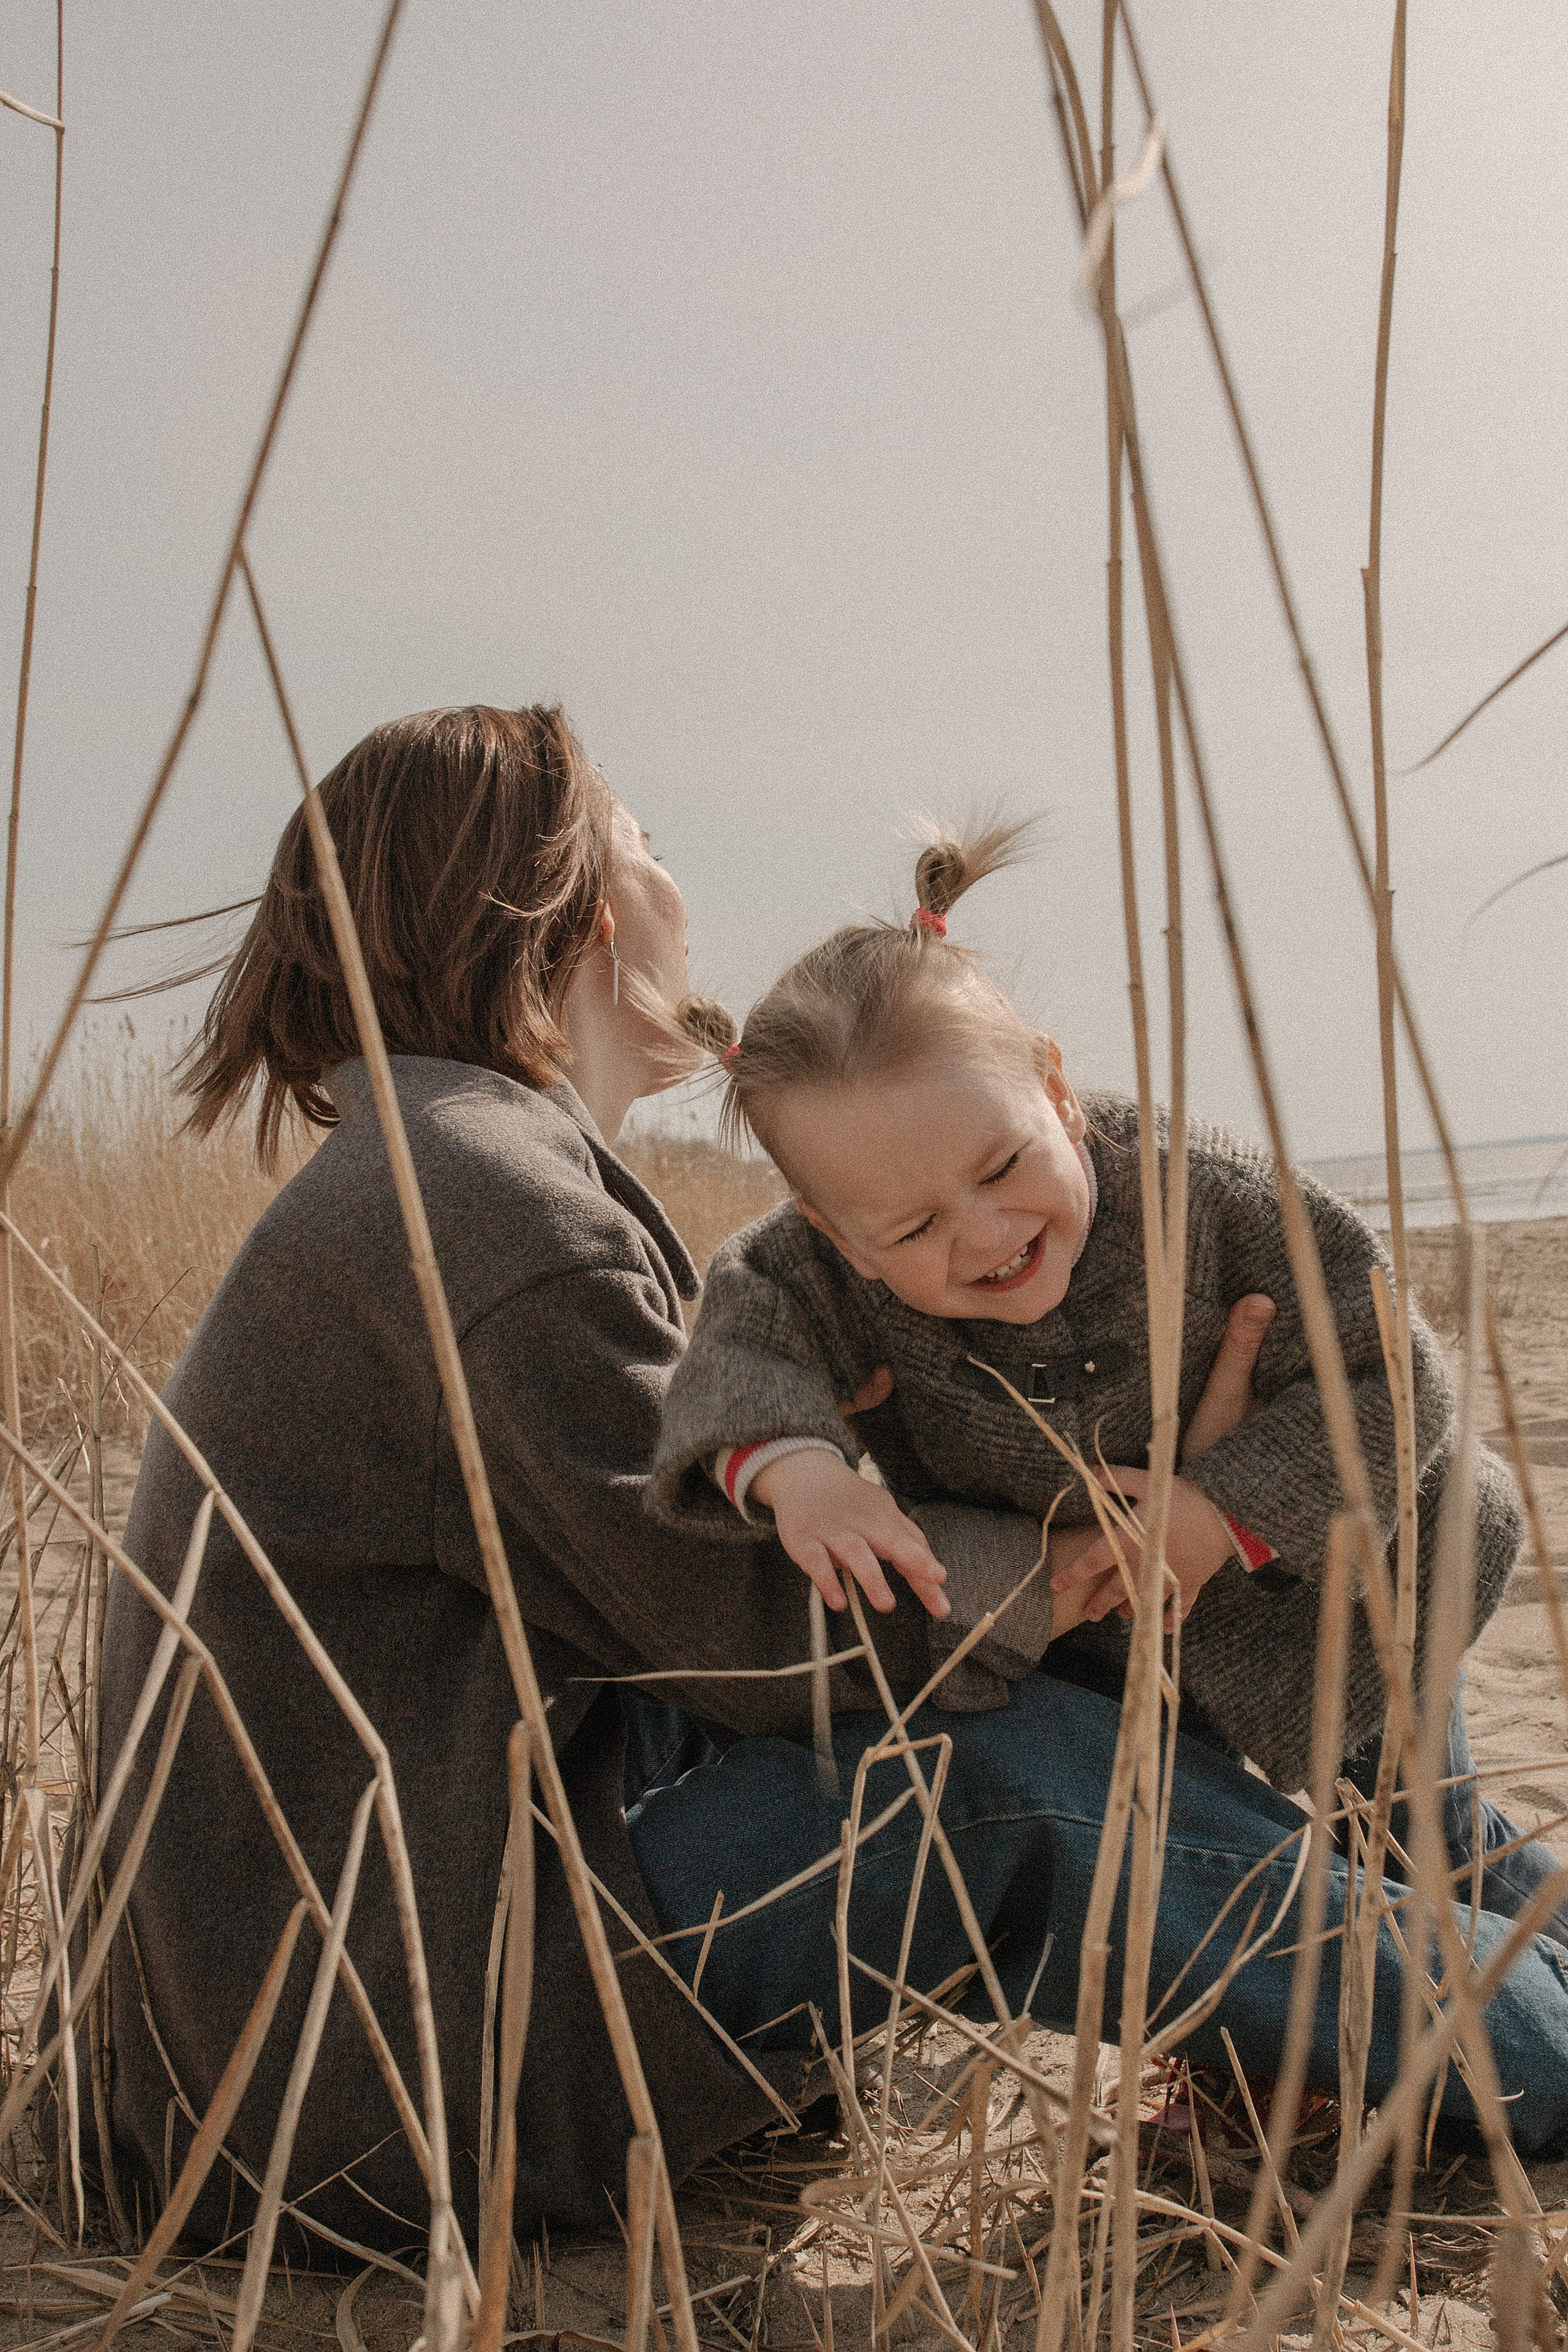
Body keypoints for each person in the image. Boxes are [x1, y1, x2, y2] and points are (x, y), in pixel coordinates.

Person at [96, 715, 1568, 2278]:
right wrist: (1102, 1539)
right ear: (590, 907)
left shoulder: (458, 1162)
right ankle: (1522, 2041)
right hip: (395, 2064)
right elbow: (763, 1637)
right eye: (648, 840)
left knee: (1363, 1734)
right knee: (1011, 1787)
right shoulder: (487, 1204)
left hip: (364, 1988)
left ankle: (1472, 1964)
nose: (680, 887)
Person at [648, 821, 1567, 1934]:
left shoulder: (1211, 1196)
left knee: (1431, 1854)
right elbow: (737, 1349)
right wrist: (802, 1473)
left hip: (1363, 1588)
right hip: (1129, 1646)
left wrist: (1221, 1512)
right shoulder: (810, 1271)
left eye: (1003, 1167)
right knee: (1237, 1877)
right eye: (915, 1227)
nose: (985, 1234)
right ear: (839, 1240)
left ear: (1058, 1093)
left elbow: (1396, 1380)